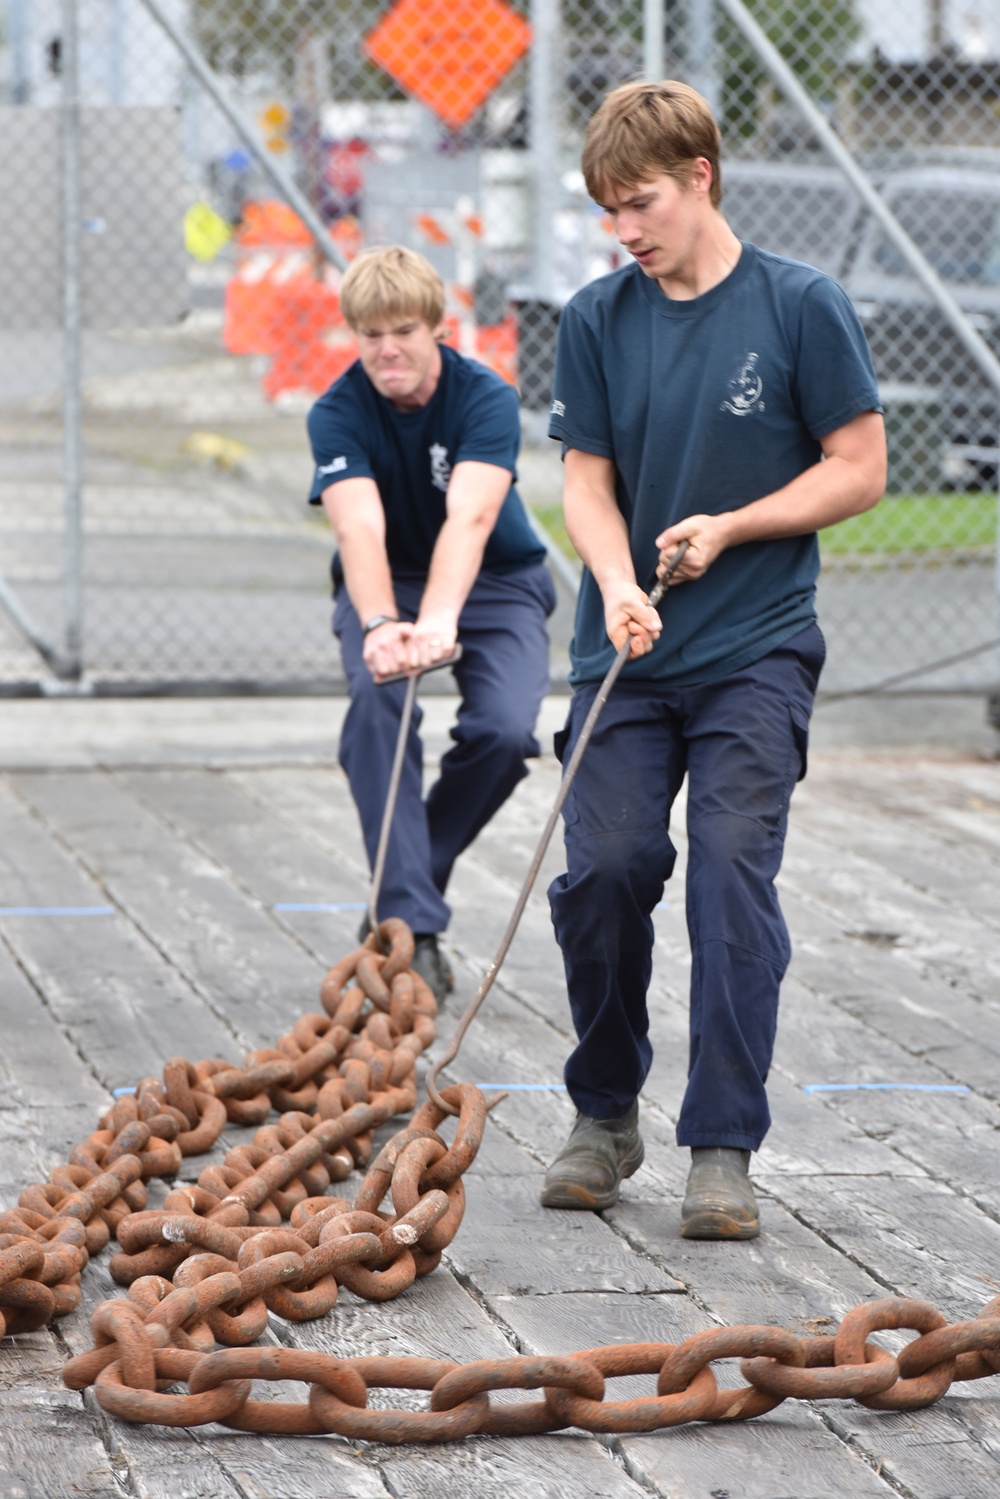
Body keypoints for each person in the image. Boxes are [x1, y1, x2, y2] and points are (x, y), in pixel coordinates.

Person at [541, 81, 886, 1238]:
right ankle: (603, 1113)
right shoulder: (596, 317)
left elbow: (858, 466)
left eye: (637, 204)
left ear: (700, 176)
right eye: (606, 211)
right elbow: (585, 479)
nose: (623, 230)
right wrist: (618, 579)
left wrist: (733, 525)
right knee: (606, 871)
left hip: (756, 647)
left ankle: (721, 1142)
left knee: (731, 873)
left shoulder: (801, 305)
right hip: (626, 652)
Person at [307, 246, 555, 1003]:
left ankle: (404, 893)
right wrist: (384, 622)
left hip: (495, 578)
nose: (388, 349)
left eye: (405, 331)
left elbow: (473, 514)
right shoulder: (337, 411)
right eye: (371, 333)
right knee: (378, 704)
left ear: (437, 329)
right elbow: (360, 530)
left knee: (508, 731)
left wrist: (441, 617)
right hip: (389, 576)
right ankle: (412, 921)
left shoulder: (484, 397)